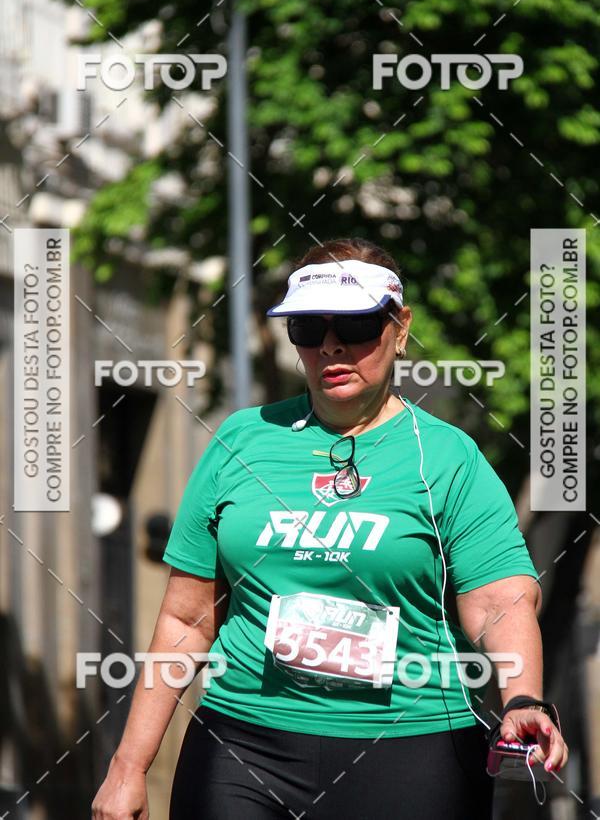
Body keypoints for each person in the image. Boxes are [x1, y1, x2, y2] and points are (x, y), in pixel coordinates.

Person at [91, 237, 568, 820]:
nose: (332, 345)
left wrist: (523, 697)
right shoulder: (241, 442)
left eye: (356, 324)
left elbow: (499, 601)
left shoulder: (447, 457)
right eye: (308, 329)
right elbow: (187, 618)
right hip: (243, 746)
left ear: (400, 326)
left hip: (409, 752)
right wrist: (128, 768)